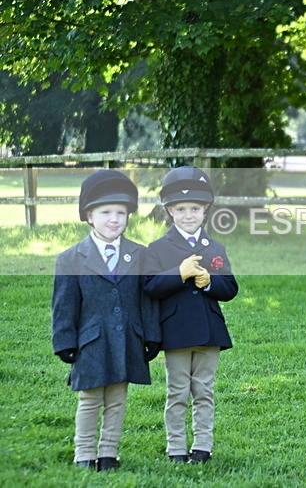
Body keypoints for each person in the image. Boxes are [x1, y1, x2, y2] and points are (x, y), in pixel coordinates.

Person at [51, 169, 160, 471]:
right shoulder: (71, 259)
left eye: (121, 213)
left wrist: (151, 336)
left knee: (117, 399)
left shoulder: (139, 254)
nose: (114, 219)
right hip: (91, 341)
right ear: (89, 216)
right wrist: (64, 339)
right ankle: (84, 454)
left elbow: (147, 298)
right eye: (106, 212)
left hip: (127, 338)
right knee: (90, 399)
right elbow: (64, 305)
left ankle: (109, 453)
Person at [143, 166, 238, 464]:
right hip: (176, 333)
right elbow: (149, 286)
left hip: (209, 333)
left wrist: (209, 281)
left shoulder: (215, 247)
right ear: (170, 211)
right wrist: (178, 273)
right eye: (181, 209)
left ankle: (203, 446)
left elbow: (230, 287)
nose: (188, 215)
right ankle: (176, 448)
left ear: (206, 210)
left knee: (204, 391)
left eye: (194, 208)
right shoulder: (157, 248)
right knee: (177, 392)